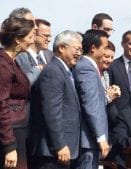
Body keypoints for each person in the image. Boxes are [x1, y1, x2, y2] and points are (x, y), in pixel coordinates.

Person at [29, 30, 82, 169]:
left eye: (81, 50)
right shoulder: (53, 71)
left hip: (62, 149)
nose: (79, 53)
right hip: (52, 151)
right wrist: (59, 145)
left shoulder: (64, 70)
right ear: (62, 47)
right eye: (77, 49)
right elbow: (52, 111)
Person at [72, 29, 111, 169]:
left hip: (90, 140)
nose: (107, 51)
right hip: (88, 140)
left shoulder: (88, 67)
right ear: (93, 48)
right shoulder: (86, 69)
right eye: (105, 47)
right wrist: (100, 137)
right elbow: (91, 106)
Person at [0, 17, 35, 169]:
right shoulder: (3, 64)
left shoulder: (12, 61)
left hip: (19, 130)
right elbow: (1, 104)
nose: (32, 41)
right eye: (30, 37)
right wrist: (9, 146)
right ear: (17, 39)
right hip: (11, 133)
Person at [16, 18, 53, 86]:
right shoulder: (20, 56)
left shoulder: (50, 55)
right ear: (34, 35)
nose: (49, 40)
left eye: (50, 36)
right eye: (46, 36)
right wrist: (38, 69)